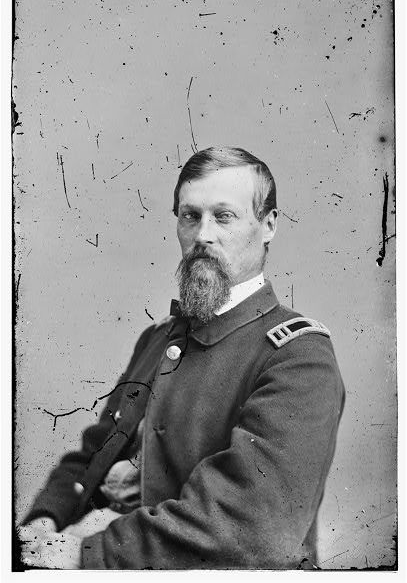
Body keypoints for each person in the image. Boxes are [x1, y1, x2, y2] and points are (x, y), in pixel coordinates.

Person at [19, 146, 345, 569]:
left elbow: (247, 529)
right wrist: (43, 522)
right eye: (190, 216)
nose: (202, 235)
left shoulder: (299, 357)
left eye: (223, 217)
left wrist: (82, 554)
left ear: (268, 225)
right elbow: (95, 454)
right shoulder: (159, 339)